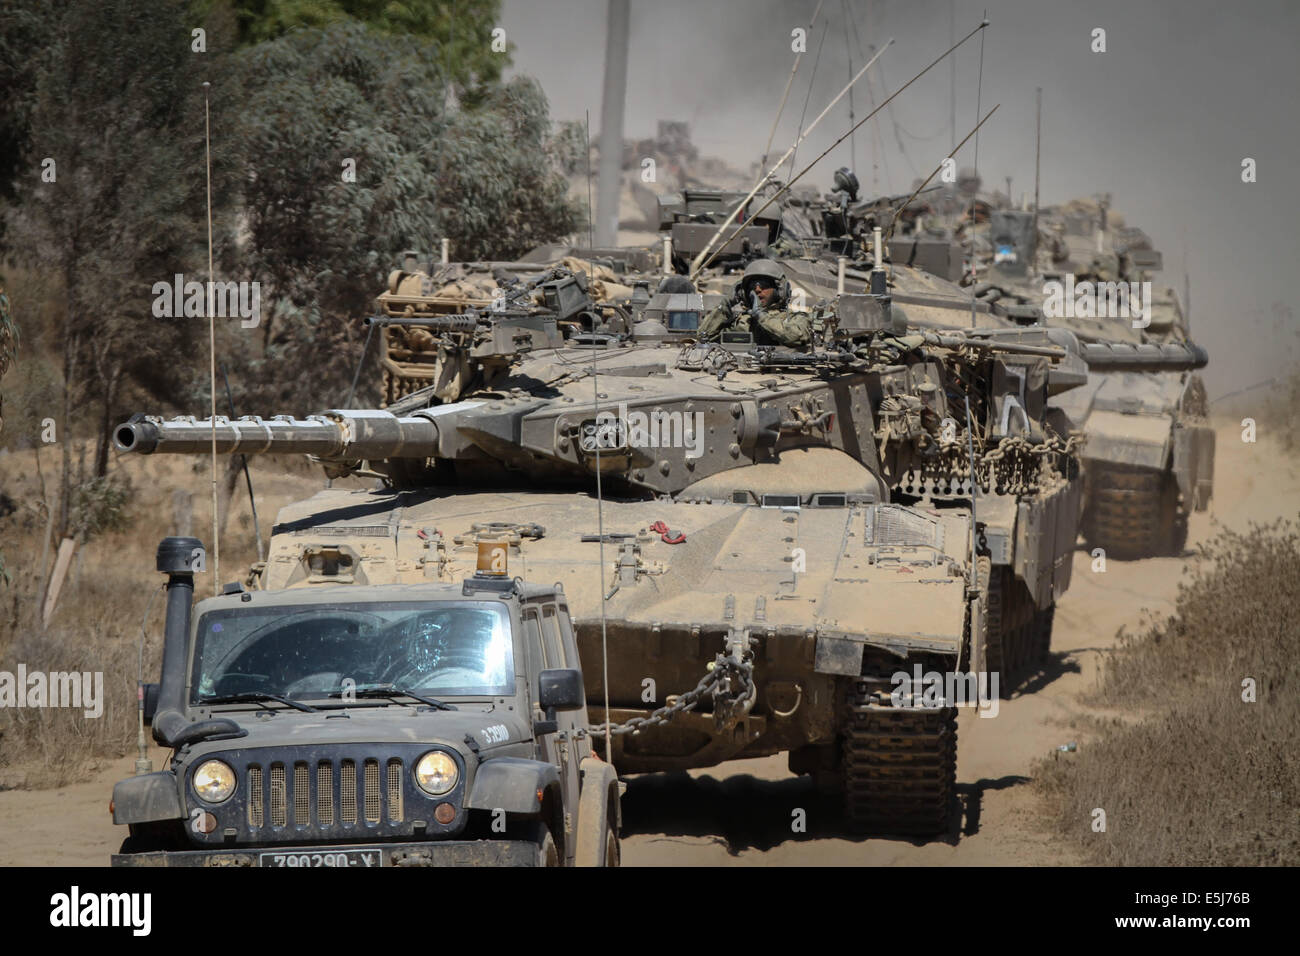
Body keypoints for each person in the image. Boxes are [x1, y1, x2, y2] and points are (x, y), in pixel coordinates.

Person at [697, 258, 811, 348]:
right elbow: (704, 336)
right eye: (752, 286)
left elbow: (796, 337)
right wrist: (726, 304)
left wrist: (761, 316)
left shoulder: (794, 318)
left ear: (780, 290)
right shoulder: (740, 321)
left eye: (764, 285)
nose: (757, 290)